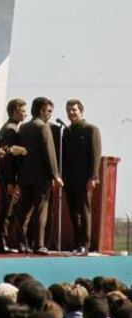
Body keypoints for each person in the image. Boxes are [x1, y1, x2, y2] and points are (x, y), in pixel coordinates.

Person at [16, 97, 63, 254]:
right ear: (42, 110)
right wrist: (55, 174)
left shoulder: (23, 127)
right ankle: (39, 244)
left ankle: (22, 244)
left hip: (24, 175)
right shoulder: (43, 127)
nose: (50, 114)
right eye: (49, 111)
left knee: (24, 211)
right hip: (41, 177)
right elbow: (49, 153)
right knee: (41, 211)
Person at [62, 99, 102, 255]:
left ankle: (85, 245)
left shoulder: (91, 129)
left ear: (81, 111)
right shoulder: (67, 131)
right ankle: (77, 244)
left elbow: (95, 155)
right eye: (69, 110)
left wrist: (93, 177)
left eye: (74, 110)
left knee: (84, 211)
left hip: (84, 179)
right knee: (73, 212)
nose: (71, 113)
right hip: (70, 179)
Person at [0, 98, 27, 253]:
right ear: (15, 112)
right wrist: (10, 181)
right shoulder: (11, 130)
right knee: (6, 210)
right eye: (23, 111)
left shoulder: (10, 127)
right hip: (8, 177)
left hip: (7, 176)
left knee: (7, 209)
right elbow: (8, 159)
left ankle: (2, 242)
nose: (26, 114)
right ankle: (1, 243)